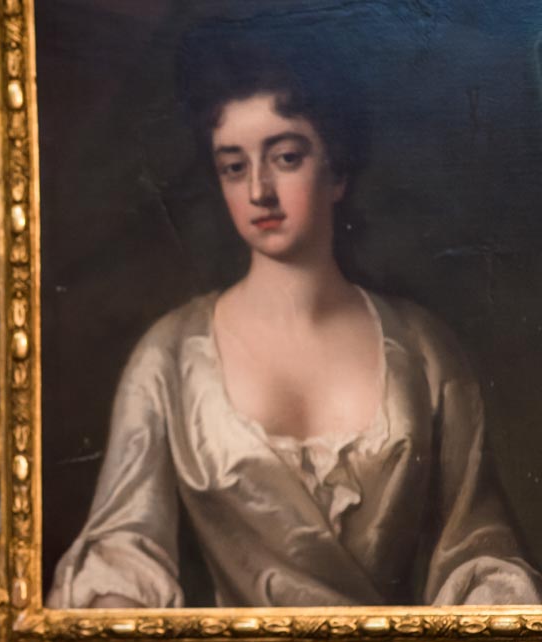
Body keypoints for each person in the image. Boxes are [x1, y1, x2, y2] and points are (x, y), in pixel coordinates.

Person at [48, 35, 542, 609]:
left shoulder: (424, 349)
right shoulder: (170, 355)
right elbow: (122, 551)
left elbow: (475, 547)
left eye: (286, 158)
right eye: (233, 167)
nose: (259, 190)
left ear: (337, 172)